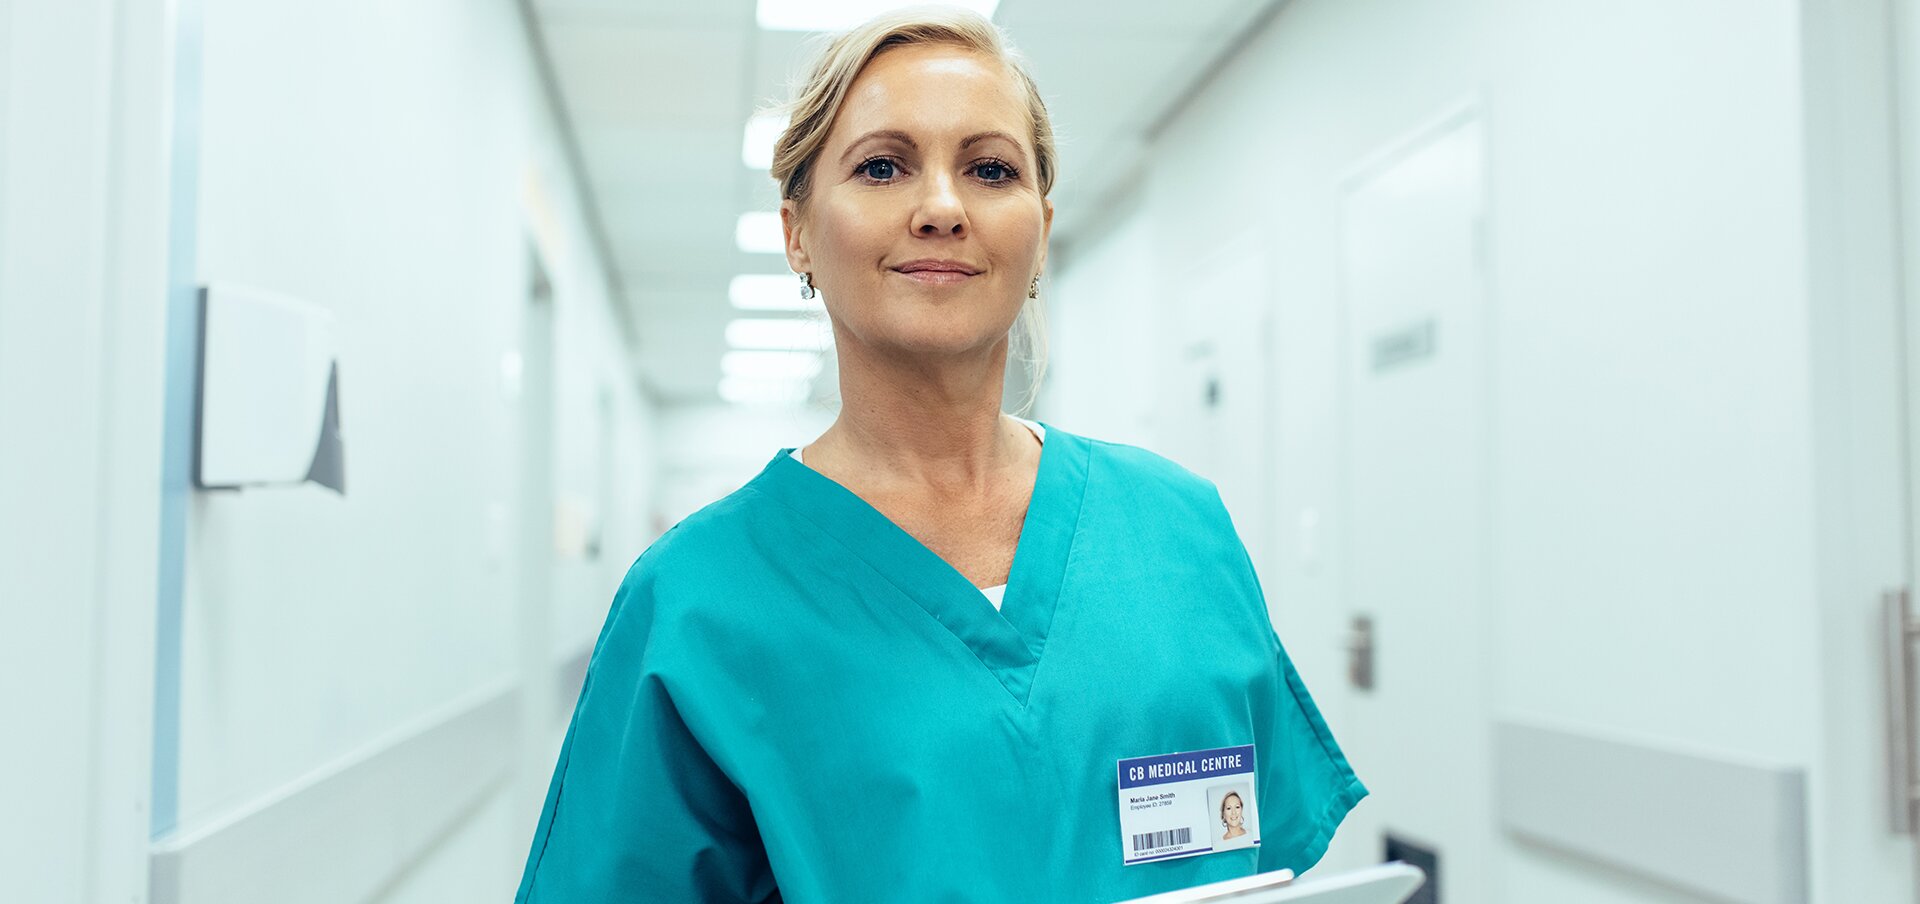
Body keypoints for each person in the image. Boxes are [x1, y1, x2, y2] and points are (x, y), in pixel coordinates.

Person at [513, 9, 1365, 903]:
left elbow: (1265, 866)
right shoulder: (695, 602)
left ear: (1037, 229)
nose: (942, 209)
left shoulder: (1180, 532)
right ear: (796, 231)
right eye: (882, 166)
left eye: (989, 170)